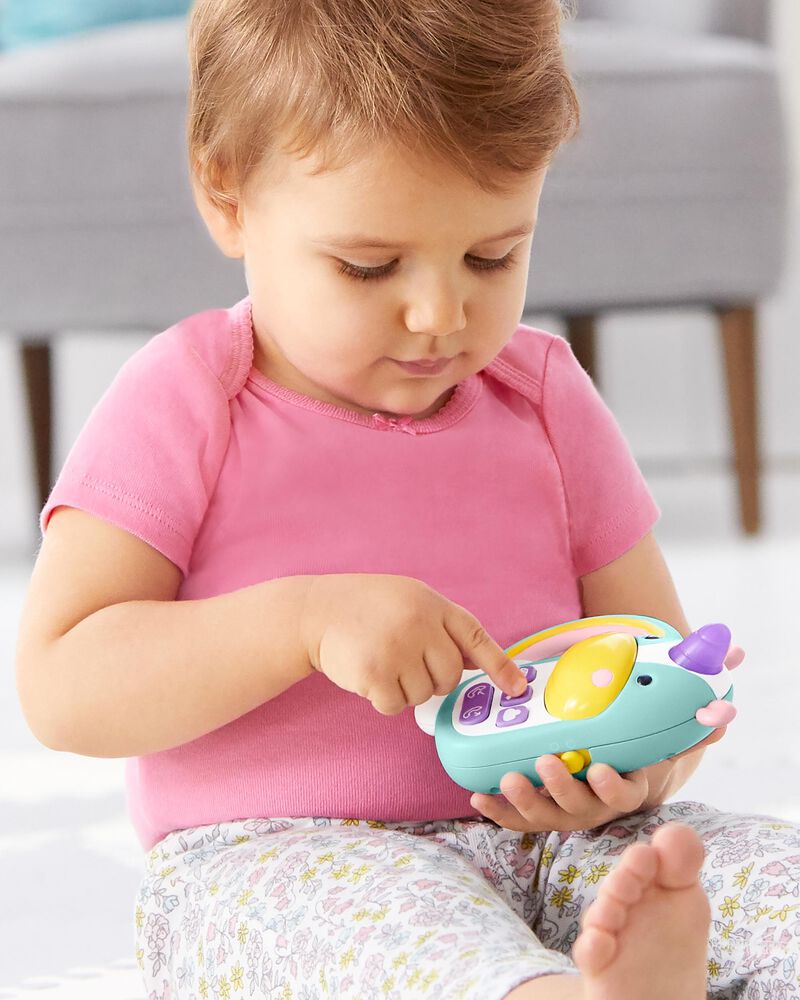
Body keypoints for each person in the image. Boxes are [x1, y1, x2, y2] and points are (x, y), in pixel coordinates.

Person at [14, 0, 799, 997]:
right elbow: (62, 685)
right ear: (227, 194)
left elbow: (654, 653)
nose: (440, 315)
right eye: (368, 267)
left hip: (558, 845)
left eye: (491, 257)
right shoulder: (186, 400)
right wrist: (300, 622)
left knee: (755, 879)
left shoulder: (545, 400)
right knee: (394, 943)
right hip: (277, 856)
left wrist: (636, 776)